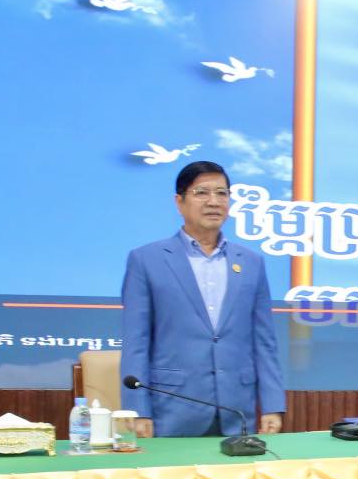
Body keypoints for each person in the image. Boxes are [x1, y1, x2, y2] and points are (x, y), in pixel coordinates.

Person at [121, 161, 286, 437]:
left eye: (222, 193)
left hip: (237, 413)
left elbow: (264, 342)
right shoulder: (146, 260)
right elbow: (136, 342)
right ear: (179, 202)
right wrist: (138, 410)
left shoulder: (251, 262)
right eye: (202, 193)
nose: (214, 202)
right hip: (171, 411)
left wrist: (272, 405)